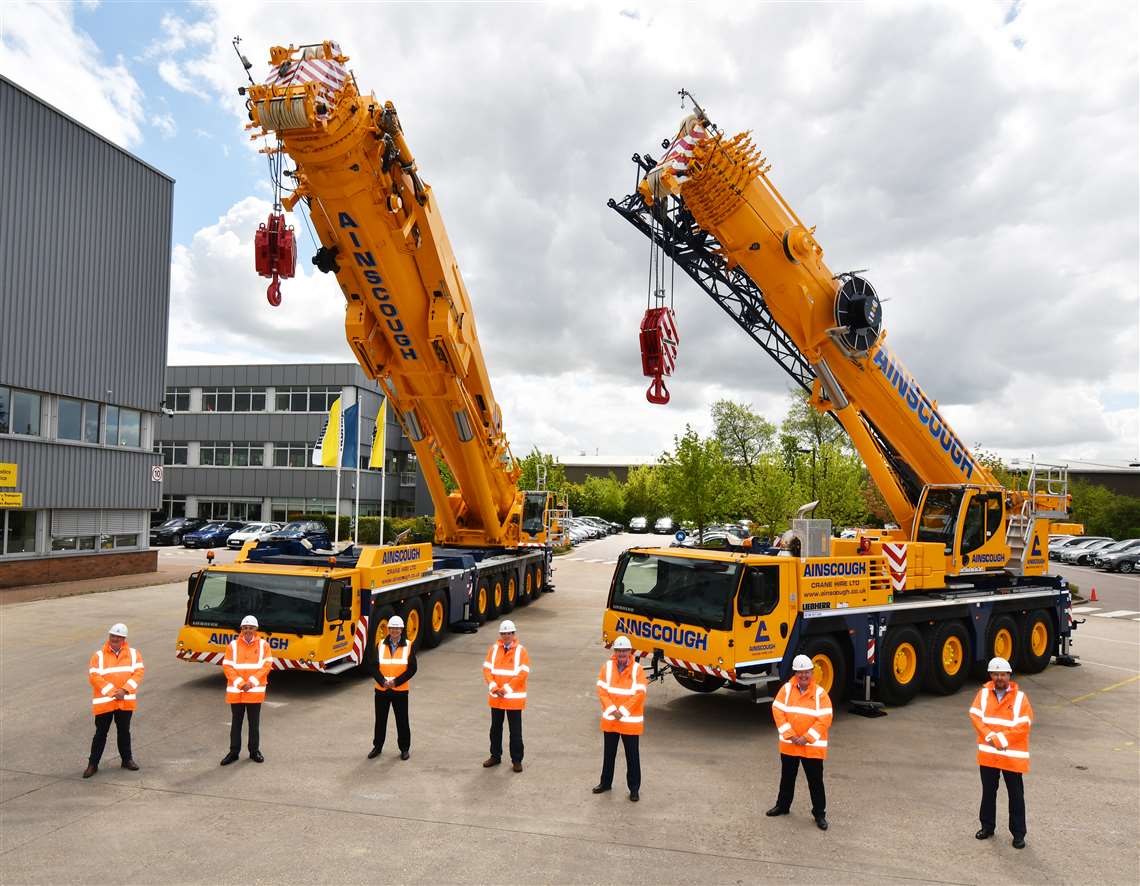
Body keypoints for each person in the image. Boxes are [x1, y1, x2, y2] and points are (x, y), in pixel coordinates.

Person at [969, 656, 1033, 849]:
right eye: (996, 674)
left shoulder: (1020, 698)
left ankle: (1018, 834)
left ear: (1009, 675)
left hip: (1011, 757)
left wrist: (1001, 739)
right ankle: (987, 827)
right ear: (990, 675)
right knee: (988, 793)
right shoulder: (983, 695)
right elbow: (975, 717)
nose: (999, 678)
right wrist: (991, 737)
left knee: (1016, 796)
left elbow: (1024, 724)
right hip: (989, 755)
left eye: (1003, 674)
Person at [767, 654, 832, 830]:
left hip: (811, 748)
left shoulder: (820, 694)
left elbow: (825, 719)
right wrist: (790, 734)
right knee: (787, 778)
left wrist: (806, 737)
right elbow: (777, 711)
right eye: (800, 672)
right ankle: (783, 806)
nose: (804, 676)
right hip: (790, 745)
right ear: (795, 673)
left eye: (807, 672)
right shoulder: (786, 690)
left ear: (812, 672)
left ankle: (819, 814)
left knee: (815, 781)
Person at [84, 623, 144, 778]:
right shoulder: (98, 655)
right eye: (112, 636)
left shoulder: (133, 654)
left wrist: (124, 690)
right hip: (105, 702)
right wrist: (112, 692)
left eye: (118, 637)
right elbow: (94, 676)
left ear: (124, 639)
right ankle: (93, 764)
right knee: (100, 733)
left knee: (124, 731)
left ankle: (127, 760)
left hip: (125, 702)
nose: (114, 639)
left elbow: (138, 673)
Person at [592, 635, 646, 801]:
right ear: (614, 652)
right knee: (609, 754)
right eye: (619, 651)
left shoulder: (637, 670)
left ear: (630, 652)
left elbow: (639, 694)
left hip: (629, 722)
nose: (622, 654)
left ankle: (634, 789)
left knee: (632, 757)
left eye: (625, 651)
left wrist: (622, 710)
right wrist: (612, 709)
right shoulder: (607, 667)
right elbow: (601, 690)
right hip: (611, 720)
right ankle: (606, 783)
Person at [220, 615, 271, 765]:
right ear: (241, 629)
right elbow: (227, 666)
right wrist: (241, 683)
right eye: (245, 628)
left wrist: (252, 683)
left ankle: (254, 751)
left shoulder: (264, 645)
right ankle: (233, 752)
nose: (248, 631)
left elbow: (266, 666)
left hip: (254, 692)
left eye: (251, 628)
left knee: (253, 724)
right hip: (237, 692)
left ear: (256, 629)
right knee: (236, 723)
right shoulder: (233, 646)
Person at [482, 619, 530, 772]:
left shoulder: (521, 651)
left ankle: (517, 760)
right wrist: (494, 686)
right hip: (497, 697)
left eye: (509, 633)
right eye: (503, 634)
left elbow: (523, 673)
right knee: (495, 729)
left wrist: (506, 689)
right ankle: (495, 756)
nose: (506, 636)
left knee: (515, 731)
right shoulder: (493, 649)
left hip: (513, 699)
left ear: (513, 634)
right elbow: (487, 670)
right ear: (500, 634)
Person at [369, 614, 416, 760]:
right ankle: (377, 747)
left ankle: (404, 749)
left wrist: (396, 682)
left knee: (402, 721)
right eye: (392, 628)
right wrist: (382, 681)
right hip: (382, 689)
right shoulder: (380, 645)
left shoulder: (408, 646)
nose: (394, 631)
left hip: (400, 690)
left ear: (402, 630)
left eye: (397, 628)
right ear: (388, 629)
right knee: (380, 720)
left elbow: (412, 669)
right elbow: (373, 667)